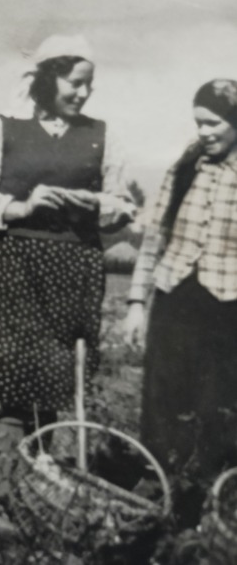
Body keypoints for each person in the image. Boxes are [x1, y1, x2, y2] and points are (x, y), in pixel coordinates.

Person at [0, 35, 136, 444]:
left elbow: (123, 203)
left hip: (74, 268)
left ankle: (43, 459)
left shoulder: (101, 135)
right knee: (11, 373)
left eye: (89, 85)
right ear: (49, 79)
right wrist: (21, 207)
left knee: (55, 373)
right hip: (14, 266)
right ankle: (5, 463)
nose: (83, 93)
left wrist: (96, 203)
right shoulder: (5, 127)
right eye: (75, 83)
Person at [125, 79, 237, 491]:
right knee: (163, 395)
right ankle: (157, 484)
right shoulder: (186, 167)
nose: (204, 132)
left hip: (228, 303)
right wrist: (136, 302)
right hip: (175, 297)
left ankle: (207, 494)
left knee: (219, 403)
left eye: (213, 123)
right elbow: (154, 236)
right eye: (198, 123)